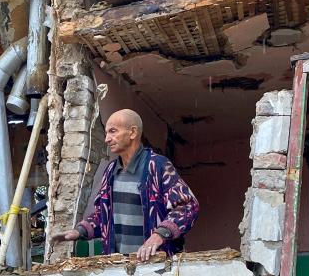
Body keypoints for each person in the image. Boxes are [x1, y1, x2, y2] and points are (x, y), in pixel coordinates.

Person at [53, 109, 199, 260]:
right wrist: (79, 231)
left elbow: (188, 206)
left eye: (113, 131)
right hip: (119, 265)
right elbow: (103, 215)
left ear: (133, 133)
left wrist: (159, 235)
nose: (107, 139)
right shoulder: (110, 170)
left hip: (155, 265)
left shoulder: (157, 165)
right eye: (106, 133)